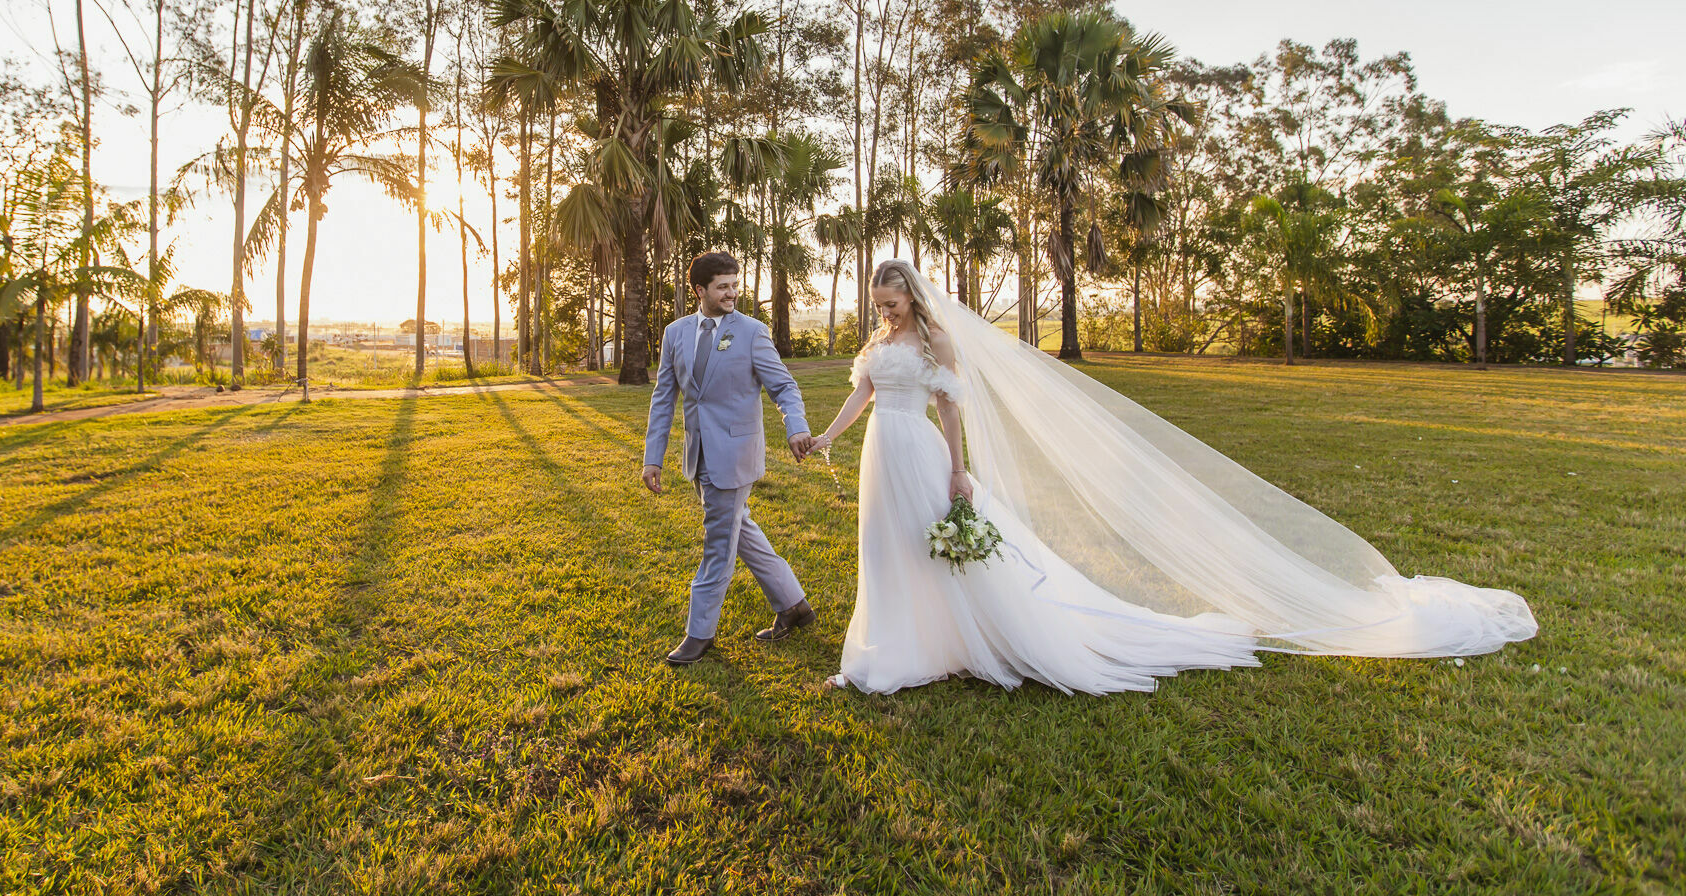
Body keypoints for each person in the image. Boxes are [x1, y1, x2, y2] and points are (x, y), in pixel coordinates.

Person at [809, 259, 1538, 695]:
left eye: (892, 301)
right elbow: (863, 394)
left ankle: (946, 645)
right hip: (882, 449)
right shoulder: (877, 342)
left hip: (925, 453)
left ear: (912, 295)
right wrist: (828, 439)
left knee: (930, 547)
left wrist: (962, 475)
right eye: (879, 305)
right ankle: (889, 649)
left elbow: (952, 405)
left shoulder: (936, 338)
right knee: (888, 552)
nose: (885, 311)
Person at [642, 252, 819, 666]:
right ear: (700, 290)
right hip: (698, 452)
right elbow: (664, 397)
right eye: (723, 286)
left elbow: (784, 387)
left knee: (718, 542)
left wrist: (796, 426)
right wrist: (654, 457)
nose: (732, 293)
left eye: (735, 285)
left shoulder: (752, 332)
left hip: (735, 453)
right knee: (740, 527)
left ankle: (698, 633)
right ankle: (794, 606)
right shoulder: (675, 333)